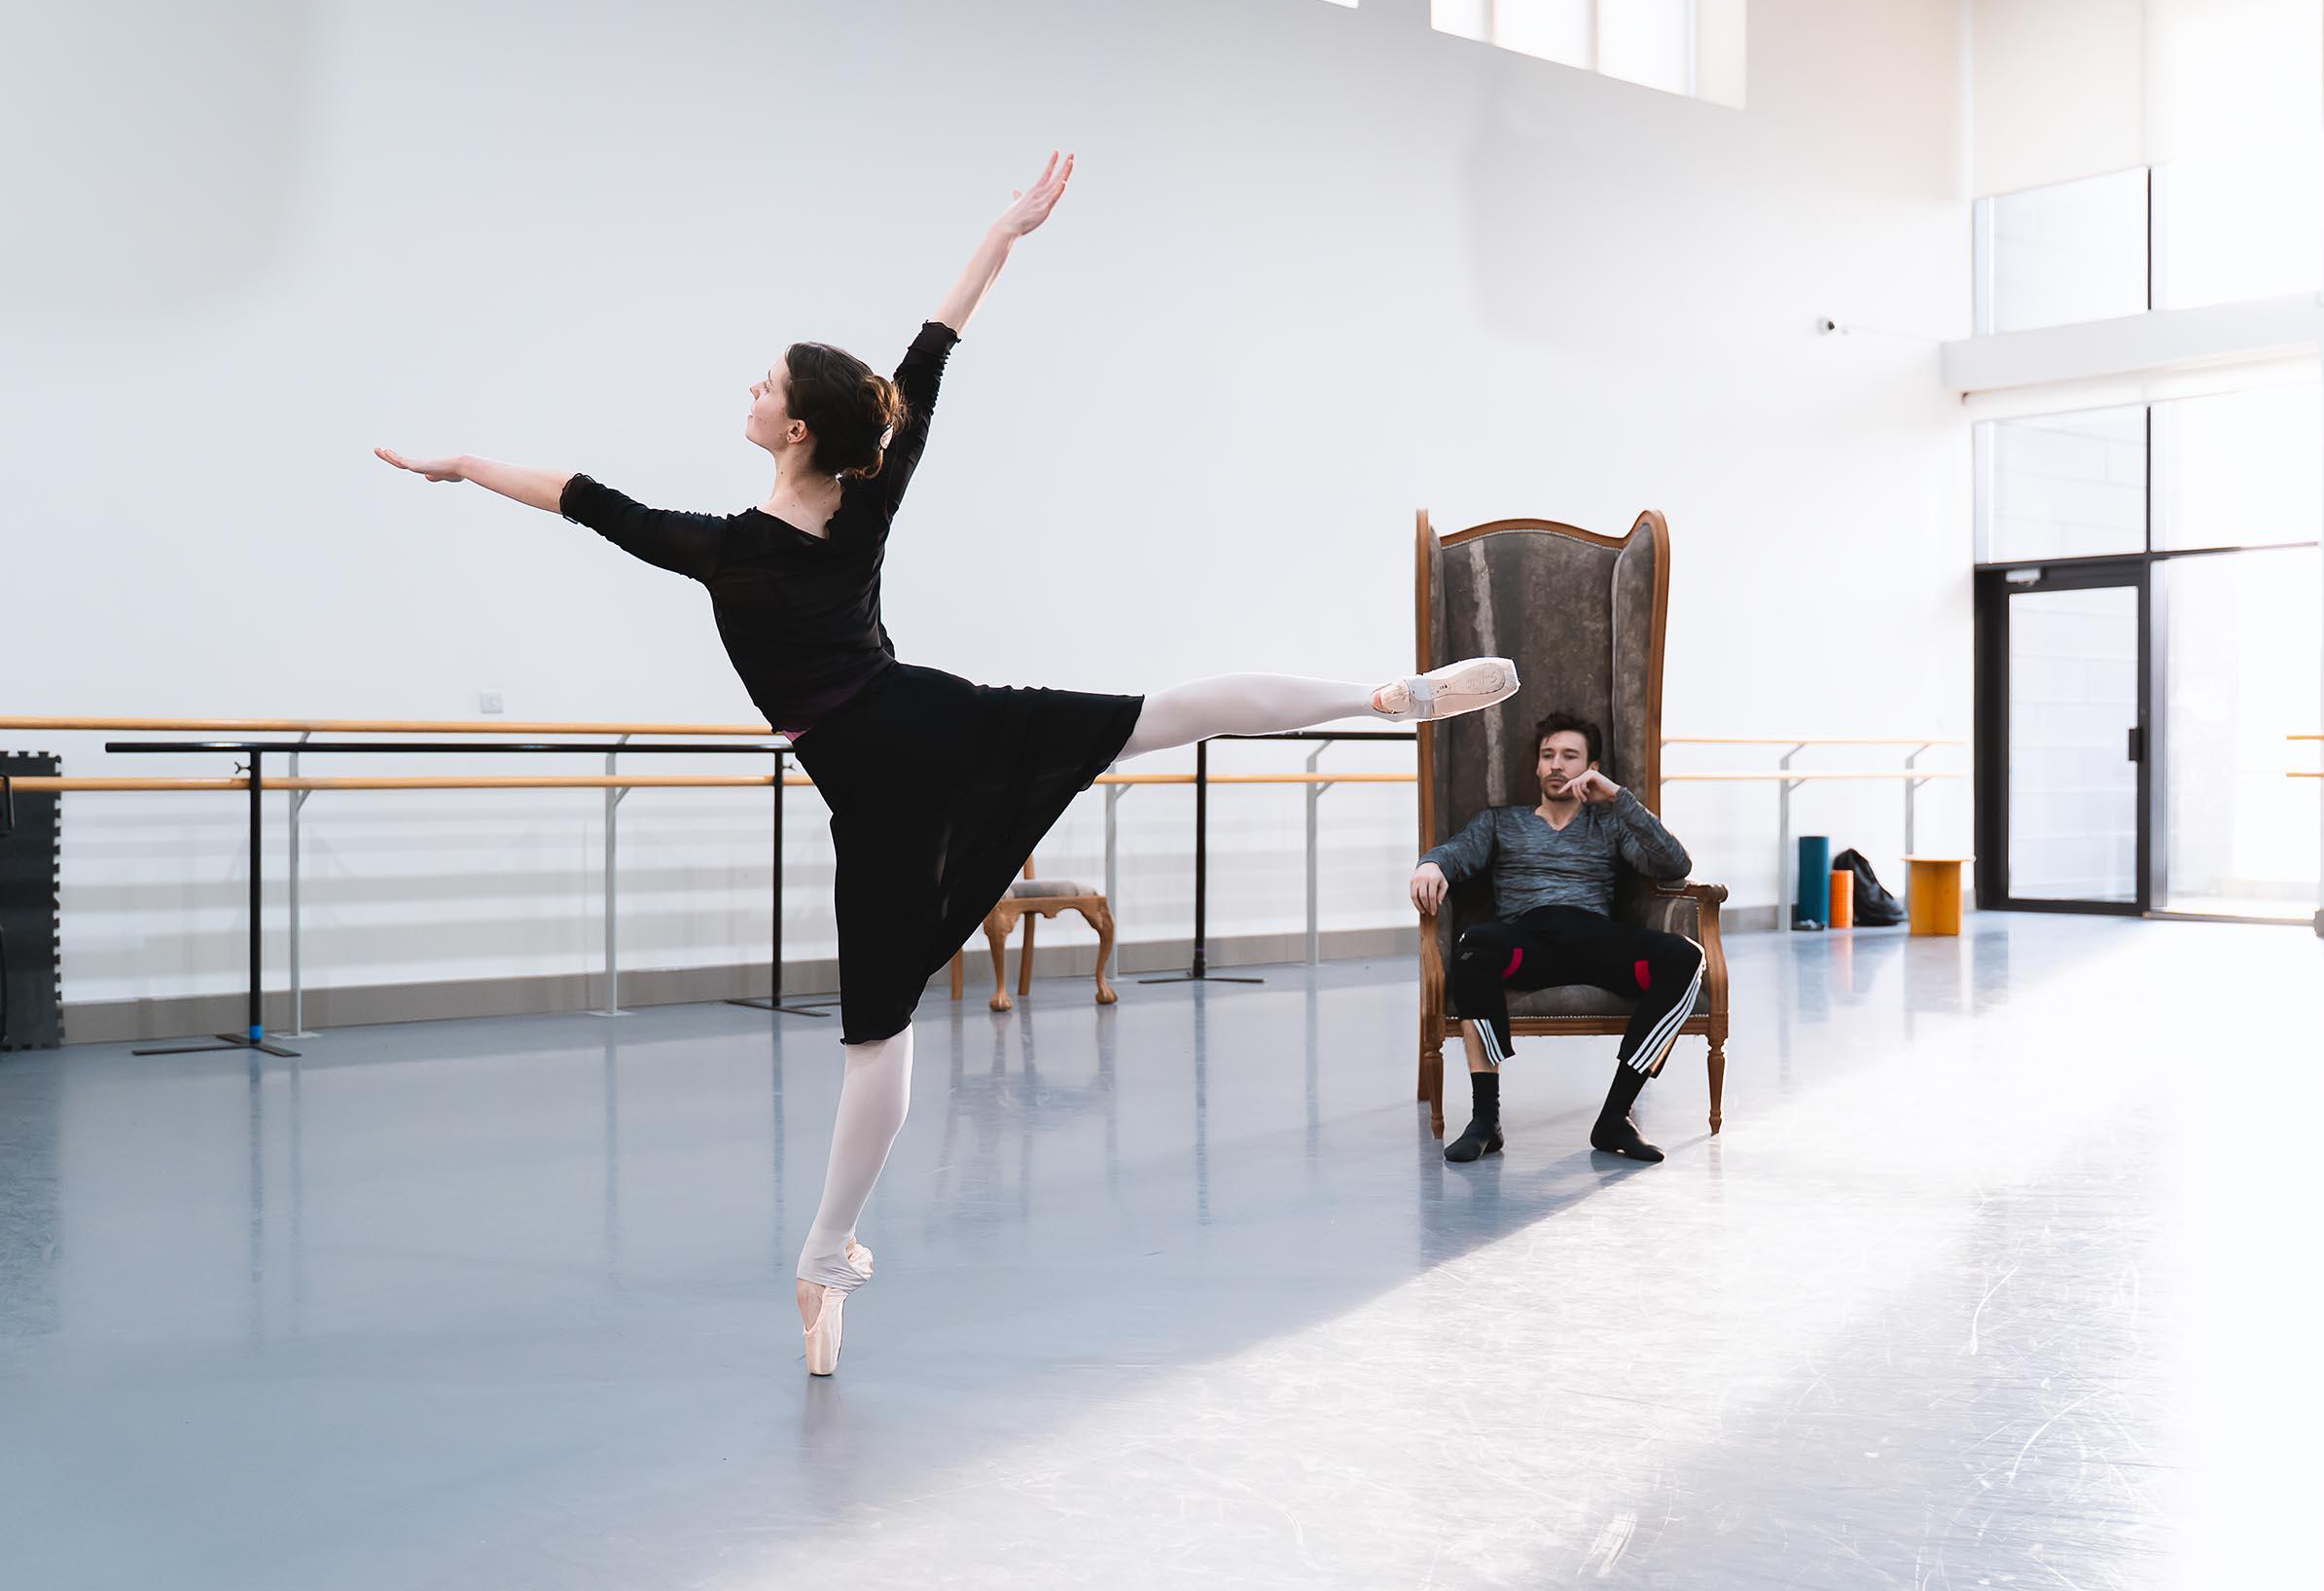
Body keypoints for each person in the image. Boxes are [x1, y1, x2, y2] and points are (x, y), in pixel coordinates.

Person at [376, 151, 1520, 1376]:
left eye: (765, 382)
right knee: (1158, 715)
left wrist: (464, 467)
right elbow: (932, 345)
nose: (750, 388)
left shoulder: (722, 548)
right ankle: (1383, 696)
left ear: (794, 428)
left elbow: (580, 496)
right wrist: (1003, 232)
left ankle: (826, 1252)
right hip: (932, 726)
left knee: (880, 1033)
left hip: (870, 780)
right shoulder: (858, 505)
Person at [1409, 709, 1701, 1167]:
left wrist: (1618, 798)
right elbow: (1457, 851)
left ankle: (1616, 1117)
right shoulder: (1501, 822)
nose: (1556, 765)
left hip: (1597, 940)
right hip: (1530, 942)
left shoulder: (1609, 823)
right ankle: (1485, 1120)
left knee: (1686, 956)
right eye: (1548, 755)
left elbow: (1676, 865)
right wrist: (1431, 864)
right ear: (1537, 765)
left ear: (1591, 768)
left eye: (1569, 756)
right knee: (1474, 945)